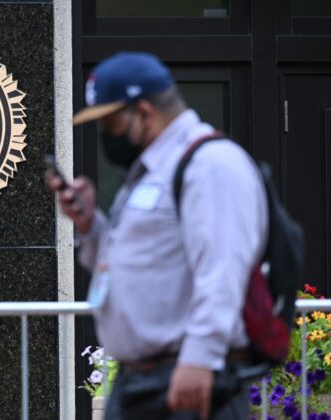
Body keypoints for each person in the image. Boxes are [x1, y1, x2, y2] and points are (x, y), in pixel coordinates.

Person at [47, 52, 268, 419]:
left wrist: (201, 359)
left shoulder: (210, 166)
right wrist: (90, 226)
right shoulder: (151, 172)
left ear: (144, 113)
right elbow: (132, 263)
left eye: (110, 122)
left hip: (188, 383)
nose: (105, 135)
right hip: (141, 384)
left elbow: (224, 270)